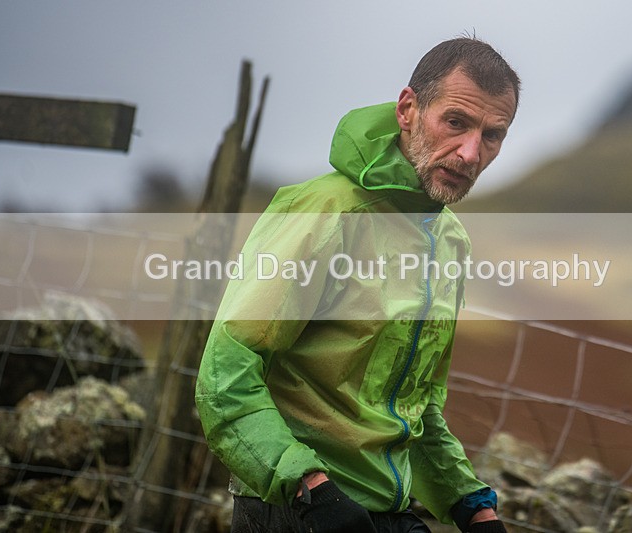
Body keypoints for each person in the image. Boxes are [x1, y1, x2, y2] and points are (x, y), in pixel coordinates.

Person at [195, 36, 520, 533]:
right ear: (408, 109)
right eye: (455, 122)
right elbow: (225, 373)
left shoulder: (449, 240)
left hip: (386, 513)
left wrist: (471, 505)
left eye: (492, 135)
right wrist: (311, 489)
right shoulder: (325, 211)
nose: (471, 152)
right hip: (294, 508)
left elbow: (415, 404)